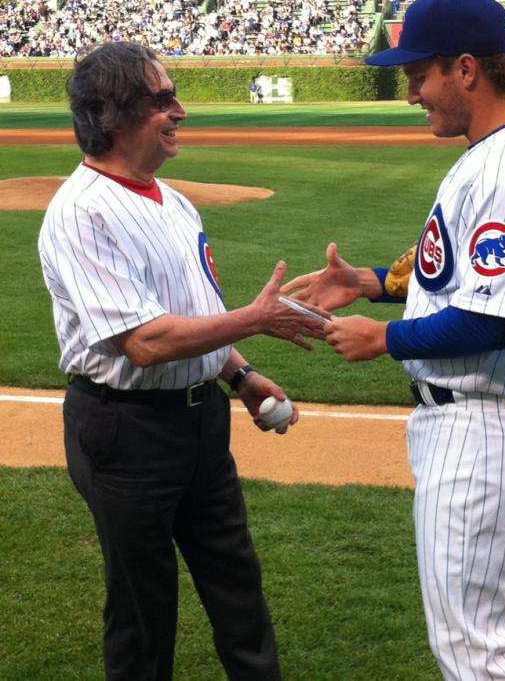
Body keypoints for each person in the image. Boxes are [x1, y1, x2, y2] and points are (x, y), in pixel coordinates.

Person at [283, 0, 505, 680]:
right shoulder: (504, 150)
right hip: (500, 425)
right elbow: (455, 276)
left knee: (473, 647)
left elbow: (490, 318)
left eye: (421, 72)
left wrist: (383, 338)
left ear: (467, 68)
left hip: (485, 431)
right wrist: (371, 281)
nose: (411, 89)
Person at [38, 41, 328, 681]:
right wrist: (255, 317)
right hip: (126, 431)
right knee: (144, 614)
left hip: (202, 423)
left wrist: (242, 375)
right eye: (162, 99)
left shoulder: (173, 200)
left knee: (237, 587)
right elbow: (142, 344)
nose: (180, 111)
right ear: (114, 115)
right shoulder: (81, 213)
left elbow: (191, 316)